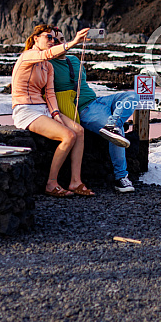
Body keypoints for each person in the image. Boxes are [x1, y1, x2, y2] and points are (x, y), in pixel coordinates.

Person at [50, 27, 139, 193]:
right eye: (54, 40)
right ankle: (121, 177)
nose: (58, 42)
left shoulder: (75, 60)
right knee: (117, 131)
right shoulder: (47, 65)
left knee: (133, 97)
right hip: (86, 110)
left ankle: (112, 124)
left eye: (61, 39)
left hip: (98, 100)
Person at [11, 23, 95, 197]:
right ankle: (51, 183)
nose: (52, 41)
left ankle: (75, 181)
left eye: (55, 39)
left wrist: (56, 114)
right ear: (36, 38)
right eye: (48, 37)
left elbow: (49, 93)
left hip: (43, 109)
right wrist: (74, 42)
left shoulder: (47, 66)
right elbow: (46, 54)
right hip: (25, 109)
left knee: (78, 130)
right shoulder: (28, 56)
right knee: (68, 135)